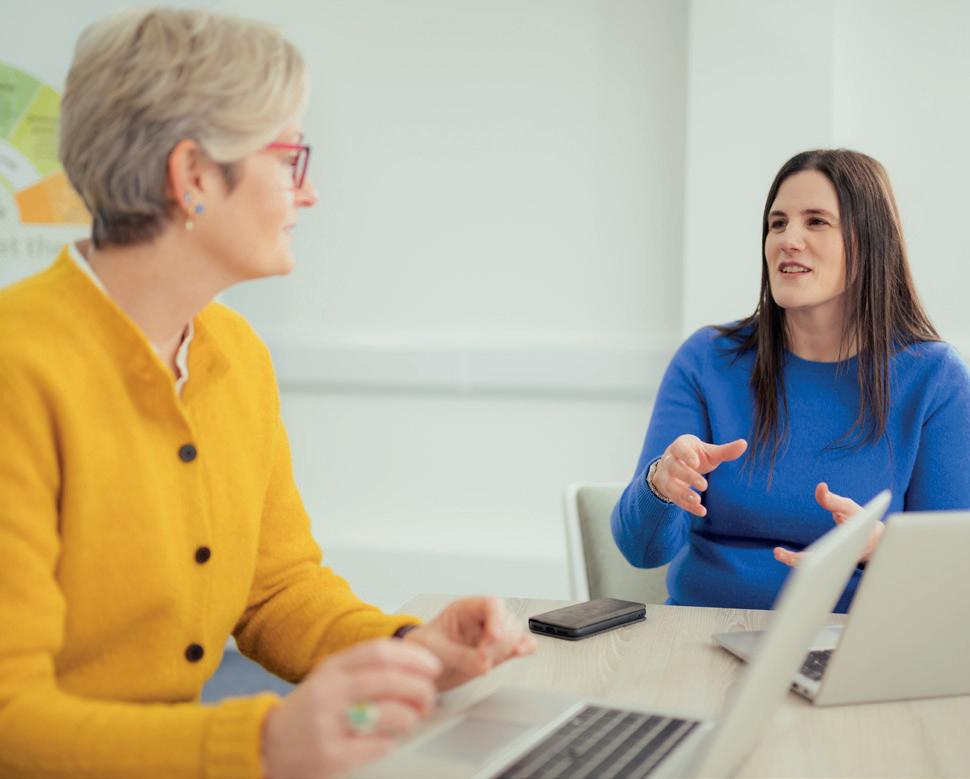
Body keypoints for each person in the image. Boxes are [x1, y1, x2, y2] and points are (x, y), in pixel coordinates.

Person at [0, 8, 535, 779]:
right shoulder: (18, 368)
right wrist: (260, 743)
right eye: (289, 157)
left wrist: (410, 648)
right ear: (192, 177)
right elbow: (10, 717)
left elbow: (275, 589)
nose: (308, 192)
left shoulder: (234, 354)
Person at [611, 148, 970, 613]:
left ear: (870, 241)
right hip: (700, 630)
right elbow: (641, 550)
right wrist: (661, 484)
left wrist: (884, 550)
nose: (788, 240)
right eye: (777, 223)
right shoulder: (706, 360)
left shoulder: (934, 379)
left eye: (816, 221)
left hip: (850, 642)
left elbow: (953, 579)